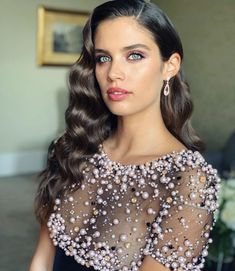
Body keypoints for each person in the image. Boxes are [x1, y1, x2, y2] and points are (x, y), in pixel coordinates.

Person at [29, 0, 220, 270]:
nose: (114, 74)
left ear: (170, 65)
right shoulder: (71, 150)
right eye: (103, 58)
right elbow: (41, 260)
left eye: (134, 56)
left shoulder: (189, 182)